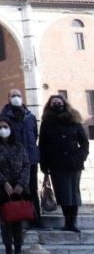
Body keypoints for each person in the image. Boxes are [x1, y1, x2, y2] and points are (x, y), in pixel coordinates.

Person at [39, 94, 89, 232]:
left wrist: (80, 157)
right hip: (56, 163)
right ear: (50, 106)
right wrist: (44, 165)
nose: (57, 105)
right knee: (62, 193)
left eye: (59, 103)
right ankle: (67, 220)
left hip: (74, 163)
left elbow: (84, 142)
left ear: (64, 104)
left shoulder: (74, 120)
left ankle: (73, 221)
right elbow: (42, 145)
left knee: (74, 193)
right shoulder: (46, 123)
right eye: (54, 103)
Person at [0, 116, 30, 254]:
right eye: (0, 127)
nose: (3, 130)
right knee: (6, 222)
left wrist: (21, 184)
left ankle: (19, 251)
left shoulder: (19, 146)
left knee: (18, 222)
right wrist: (4, 183)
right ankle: (8, 251)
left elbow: (26, 165)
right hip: (1, 189)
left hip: (18, 189)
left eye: (6, 127)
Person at [0, 89, 41, 226]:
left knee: (32, 189)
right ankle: (17, 217)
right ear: (8, 98)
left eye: (18, 95)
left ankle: (35, 218)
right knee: (16, 189)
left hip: (30, 159)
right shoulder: (4, 116)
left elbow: (34, 135)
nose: (16, 98)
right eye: (13, 96)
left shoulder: (30, 116)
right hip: (13, 160)